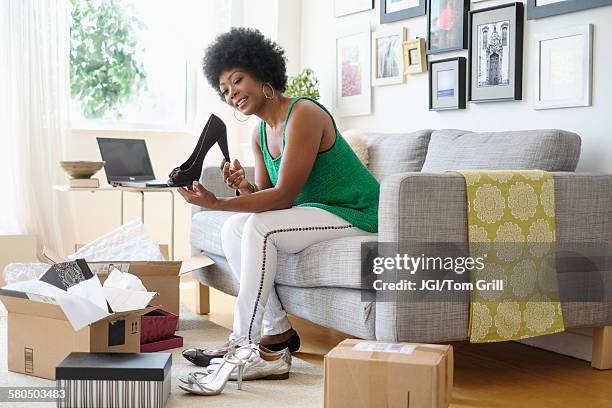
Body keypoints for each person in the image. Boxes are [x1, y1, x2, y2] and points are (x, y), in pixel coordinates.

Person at [178, 27, 380, 366]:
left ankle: (240, 342)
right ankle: (277, 330)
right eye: (225, 90)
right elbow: (267, 194)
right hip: (317, 212)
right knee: (234, 229)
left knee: (259, 228)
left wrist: (217, 203)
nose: (232, 95)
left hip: (356, 212)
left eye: (238, 81)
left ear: (262, 73)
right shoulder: (260, 133)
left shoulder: (303, 114)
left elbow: (283, 197)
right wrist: (242, 186)